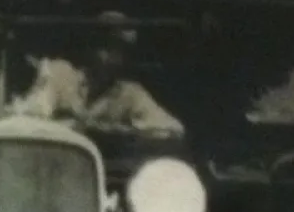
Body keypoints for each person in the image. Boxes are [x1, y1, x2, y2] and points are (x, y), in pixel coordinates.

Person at [10, 15, 185, 135]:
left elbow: (174, 130)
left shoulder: (130, 93)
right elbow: (30, 118)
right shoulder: (60, 74)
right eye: (105, 46)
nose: (112, 58)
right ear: (90, 47)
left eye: (120, 51)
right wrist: (71, 126)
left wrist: (123, 130)